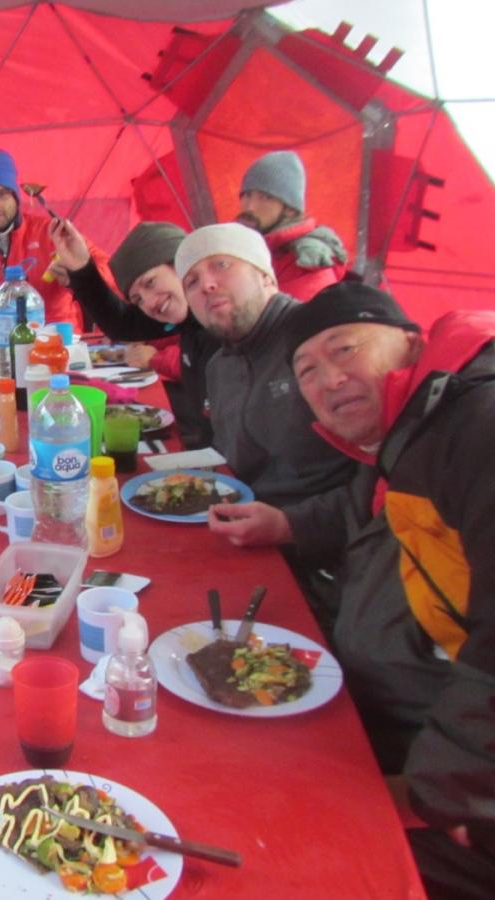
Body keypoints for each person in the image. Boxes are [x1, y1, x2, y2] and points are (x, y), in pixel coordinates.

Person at [284, 284, 491, 899]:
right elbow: (366, 527)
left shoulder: (476, 427)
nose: (329, 379)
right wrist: (286, 524)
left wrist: (441, 789)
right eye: (307, 372)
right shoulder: (402, 439)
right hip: (388, 713)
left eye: (344, 349)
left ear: (412, 343)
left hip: (451, 782)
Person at [171, 222, 355, 507]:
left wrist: (290, 524)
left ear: (266, 276)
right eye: (191, 282)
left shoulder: (321, 338)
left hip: (320, 531)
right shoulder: (219, 368)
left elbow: (378, 478)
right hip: (239, 517)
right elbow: (229, 462)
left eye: (222, 264)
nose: (207, 285)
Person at [51, 219, 219, 447]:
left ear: (181, 265)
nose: (149, 302)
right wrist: (81, 269)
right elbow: (122, 322)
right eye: (137, 299)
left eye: (150, 283)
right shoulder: (186, 316)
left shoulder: (224, 321)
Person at [0, 149, 108, 331]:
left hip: (56, 342)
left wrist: (80, 274)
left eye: (2, 194)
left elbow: (113, 277)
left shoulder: (53, 234)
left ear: (16, 197)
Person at [235, 150, 348, 300]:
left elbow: (296, 314)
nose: (250, 207)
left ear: (290, 209)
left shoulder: (307, 262)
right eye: (247, 195)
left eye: (265, 197)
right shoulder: (242, 248)